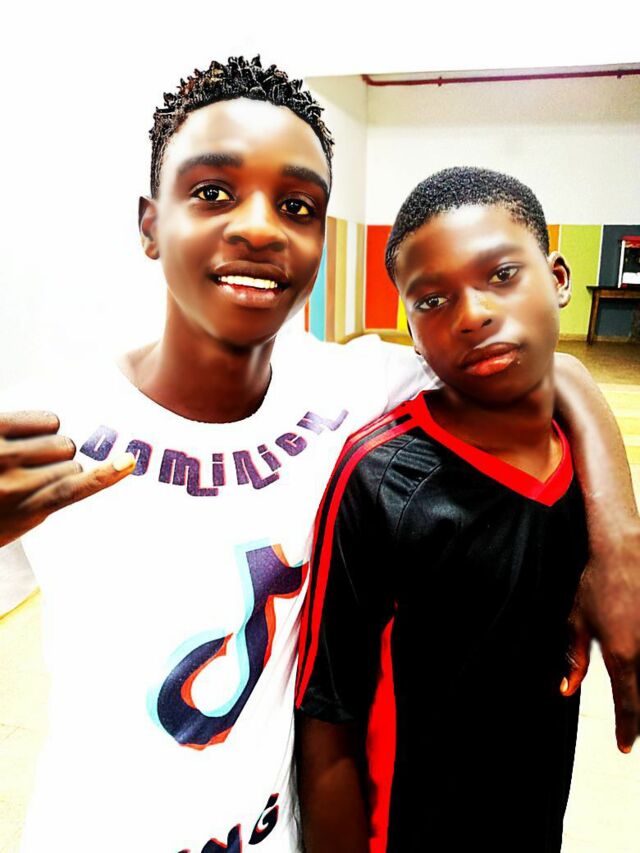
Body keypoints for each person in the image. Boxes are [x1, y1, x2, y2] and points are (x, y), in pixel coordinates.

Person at [0, 59, 638, 852]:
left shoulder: (352, 386)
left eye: (296, 206)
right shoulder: (45, 427)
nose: (260, 227)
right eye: (212, 192)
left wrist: (618, 545)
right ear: (149, 223)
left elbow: (553, 368)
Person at [294, 167, 625, 852]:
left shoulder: (580, 458)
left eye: (502, 274)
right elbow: (328, 721)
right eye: (433, 299)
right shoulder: (381, 478)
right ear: (412, 330)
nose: (471, 313)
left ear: (558, 279)